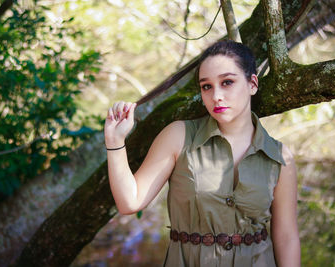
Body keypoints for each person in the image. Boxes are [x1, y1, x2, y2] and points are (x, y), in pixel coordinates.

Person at [104, 40, 300, 267]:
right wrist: (115, 141)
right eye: (206, 86)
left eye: (227, 82)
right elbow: (130, 201)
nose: (216, 95)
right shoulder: (179, 136)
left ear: (252, 84)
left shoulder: (279, 156)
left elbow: (286, 237)